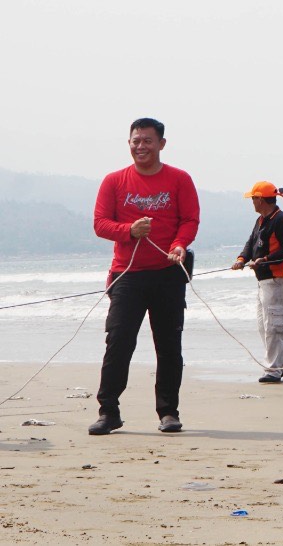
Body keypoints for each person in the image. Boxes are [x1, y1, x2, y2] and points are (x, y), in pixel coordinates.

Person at [90, 117, 199, 436]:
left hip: (168, 274)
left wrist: (179, 244)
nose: (141, 146)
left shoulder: (179, 179)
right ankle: (108, 411)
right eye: (135, 141)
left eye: (147, 141)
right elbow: (99, 224)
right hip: (127, 276)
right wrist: (128, 230)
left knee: (168, 346)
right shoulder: (114, 181)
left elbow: (190, 219)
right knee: (118, 343)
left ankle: (168, 412)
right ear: (129, 144)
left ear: (161, 144)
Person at [232, 181, 283, 383]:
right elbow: (251, 243)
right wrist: (242, 259)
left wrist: (264, 260)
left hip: (279, 279)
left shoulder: (281, 220)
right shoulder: (261, 220)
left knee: (274, 325)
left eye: (253, 198)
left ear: (260, 199)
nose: (252, 202)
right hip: (264, 280)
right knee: (264, 324)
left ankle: (272, 370)